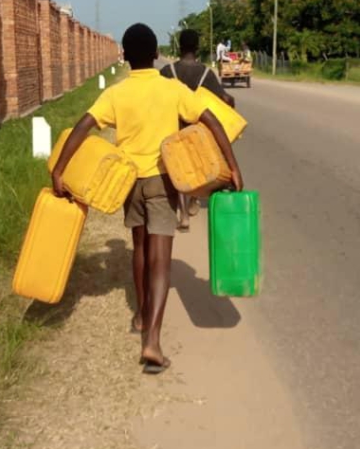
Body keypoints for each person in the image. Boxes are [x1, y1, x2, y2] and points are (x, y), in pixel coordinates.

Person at [51, 23, 243, 374]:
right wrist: (232, 166)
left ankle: (140, 315)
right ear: (156, 54)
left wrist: (59, 169)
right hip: (162, 180)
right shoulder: (170, 89)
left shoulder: (116, 94)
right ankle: (152, 341)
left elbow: (83, 125)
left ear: (124, 55)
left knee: (139, 247)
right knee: (161, 258)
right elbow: (212, 120)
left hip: (129, 182)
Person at [161, 28, 235, 232]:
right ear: (197, 47)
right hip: (198, 129)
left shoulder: (168, 72)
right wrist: (230, 102)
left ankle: (183, 215)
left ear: (179, 46)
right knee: (197, 166)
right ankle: (194, 199)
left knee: (180, 168)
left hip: (173, 127)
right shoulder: (205, 73)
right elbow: (224, 98)